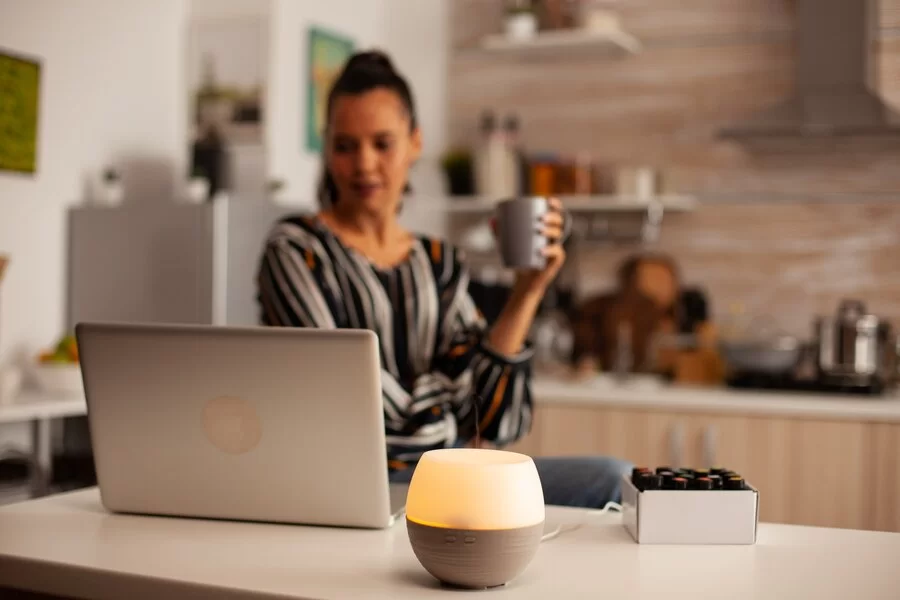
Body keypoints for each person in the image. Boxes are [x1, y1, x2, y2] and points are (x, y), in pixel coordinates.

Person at [255, 50, 630, 508]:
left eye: (382, 143)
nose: (364, 164)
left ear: (415, 143)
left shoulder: (439, 261)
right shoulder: (296, 250)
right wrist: (452, 396)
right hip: (362, 484)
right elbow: (354, 396)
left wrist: (528, 290)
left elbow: (496, 421)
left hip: (453, 474)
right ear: (327, 148)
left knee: (615, 480)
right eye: (345, 145)